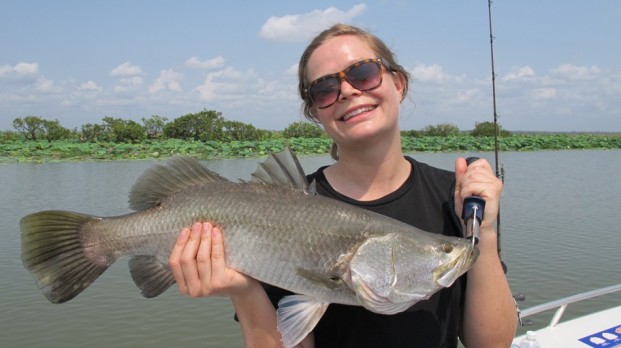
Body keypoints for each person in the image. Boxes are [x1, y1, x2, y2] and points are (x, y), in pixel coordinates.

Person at [168, 24, 517, 347]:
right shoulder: (283, 204)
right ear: (315, 112)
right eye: (325, 89)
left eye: (364, 73)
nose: (348, 91)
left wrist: (482, 232)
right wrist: (244, 292)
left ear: (398, 83)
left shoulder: (456, 199)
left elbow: (492, 344)